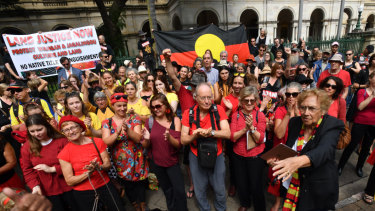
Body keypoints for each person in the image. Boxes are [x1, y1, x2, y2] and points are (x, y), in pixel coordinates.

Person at [269, 89, 344, 211]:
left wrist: (296, 162)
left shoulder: (332, 124)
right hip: (293, 183)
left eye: (312, 108)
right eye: (302, 108)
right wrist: (278, 160)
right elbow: (289, 149)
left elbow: (324, 150)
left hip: (317, 189)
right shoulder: (295, 122)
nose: (305, 112)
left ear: (323, 110)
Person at [57, 115, 125, 211]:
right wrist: (88, 173)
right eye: (66, 130)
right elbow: (69, 181)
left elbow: (108, 164)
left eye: (73, 127)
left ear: (80, 128)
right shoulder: (64, 153)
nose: (71, 132)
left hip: (105, 186)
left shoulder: (97, 142)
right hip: (83, 193)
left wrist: (99, 167)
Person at [181, 83, 230, 211]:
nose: (207, 101)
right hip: (196, 153)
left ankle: (221, 209)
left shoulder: (218, 109)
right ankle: (204, 209)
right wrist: (195, 135)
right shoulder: (189, 113)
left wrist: (211, 132)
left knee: (219, 188)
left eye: (210, 97)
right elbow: (183, 139)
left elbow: (227, 133)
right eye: (203, 98)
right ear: (196, 97)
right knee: (199, 188)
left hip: (217, 153)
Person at [102, 93, 148, 211]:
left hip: (137, 155)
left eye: (124, 105)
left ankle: (142, 203)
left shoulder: (134, 118)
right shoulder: (107, 122)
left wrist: (127, 129)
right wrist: (117, 132)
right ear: (112, 106)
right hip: (120, 160)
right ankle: (134, 203)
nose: (122, 108)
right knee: (127, 182)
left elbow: (138, 138)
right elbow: (106, 142)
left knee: (140, 181)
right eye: (119, 106)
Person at [142, 93, 188, 211]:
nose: (155, 109)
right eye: (153, 107)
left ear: (165, 105)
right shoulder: (150, 121)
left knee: (179, 191)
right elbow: (146, 146)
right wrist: (146, 138)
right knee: (167, 190)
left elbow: (178, 145)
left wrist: (169, 137)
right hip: (157, 163)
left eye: (158, 106)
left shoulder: (175, 120)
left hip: (172, 162)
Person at [22, 114, 77, 211]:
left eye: (39, 129)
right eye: (32, 131)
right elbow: (27, 170)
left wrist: (53, 169)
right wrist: (35, 186)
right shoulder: (27, 147)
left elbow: (74, 163)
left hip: (69, 186)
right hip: (47, 191)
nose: (36, 134)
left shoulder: (62, 141)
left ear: (46, 126)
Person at [230, 86, 267, 211]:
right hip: (238, 156)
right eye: (246, 100)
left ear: (256, 100)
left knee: (256, 185)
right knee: (242, 182)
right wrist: (245, 128)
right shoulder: (236, 116)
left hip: (255, 157)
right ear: (241, 101)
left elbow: (260, 139)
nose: (249, 103)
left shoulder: (260, 116)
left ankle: (259, 207)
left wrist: (252, 128)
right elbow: (233, 137)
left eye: (252, 100)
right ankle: (245, 203)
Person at [270, 82, 302, 211]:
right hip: (283, 150)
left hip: (298, 150)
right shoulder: (281, 110)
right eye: (288, 94)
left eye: (294, 94)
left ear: (300, 95)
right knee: (280, 179)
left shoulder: (304, 110)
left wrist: (297, 112)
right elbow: (279, 133)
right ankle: (278, 203)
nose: (291, 97)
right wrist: (288, 114)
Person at [338, 72, 375, 177]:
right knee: (351, 145)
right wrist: (372, 96)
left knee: (366, 148)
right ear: (371, 78)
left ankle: (359, 167)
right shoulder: (362, 92)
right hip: (360, 122)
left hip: (373, 124)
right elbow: (360, 107)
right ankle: (340, 165)